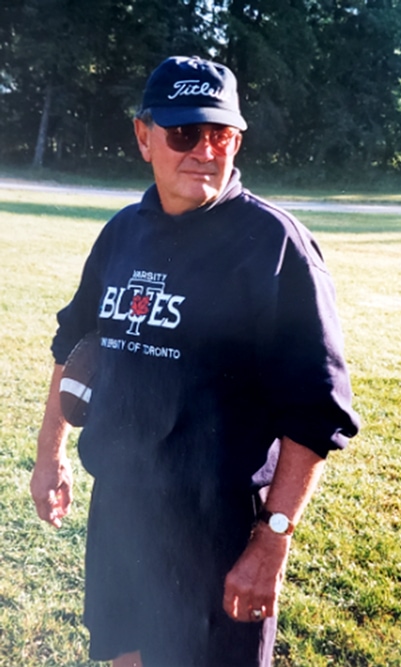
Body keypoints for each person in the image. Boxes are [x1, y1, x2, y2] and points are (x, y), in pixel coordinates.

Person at [30, 55, 359, 667]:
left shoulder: (275, 246)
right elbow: (73, 345)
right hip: (122, 511)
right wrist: (49, 455)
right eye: (184, 133)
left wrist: (271, 543)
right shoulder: (122, 233)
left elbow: (317, 412)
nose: (204, 150)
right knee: (125, 658)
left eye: (222, 134)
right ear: (144, 136)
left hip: (219, 528)